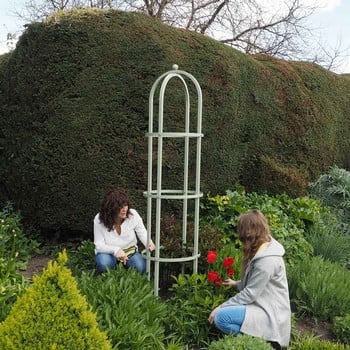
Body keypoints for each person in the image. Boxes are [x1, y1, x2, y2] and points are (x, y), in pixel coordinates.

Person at [208, 210, 291, 349]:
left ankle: (260, 345)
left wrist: (220, 306)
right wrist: (236, 284)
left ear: (248, 233)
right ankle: (258, 341)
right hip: (261, 305)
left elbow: (250, 293)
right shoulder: (263, 248)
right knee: (224, 317)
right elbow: (256, 285)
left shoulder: (267, 261)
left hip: (269, 313)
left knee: (221, 318)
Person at [93, 189, 155, 274]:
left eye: (125, 205)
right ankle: (110, 272)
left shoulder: (133, 215)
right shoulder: (99, 219)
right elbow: (99, 245)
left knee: (140, 267)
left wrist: (149, 242)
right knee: (103, 264)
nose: (124, 209)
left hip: (130, 251)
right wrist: (116, 250)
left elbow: (142, 232)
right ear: (110, 208)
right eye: (120, 207)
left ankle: (123, 266)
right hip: (108, 253)